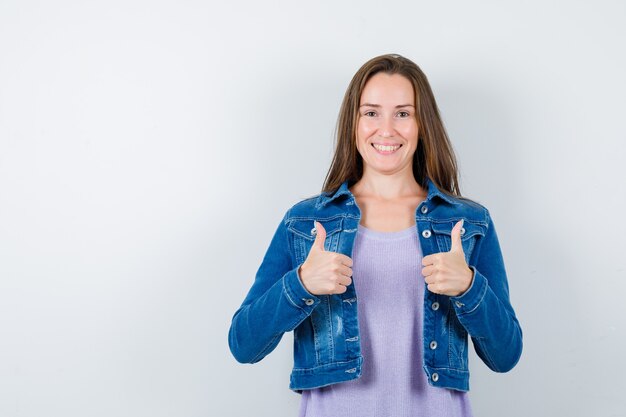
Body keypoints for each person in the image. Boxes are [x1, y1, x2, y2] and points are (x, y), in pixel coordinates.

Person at [228, 54, 523, 417]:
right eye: (371, 113)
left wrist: (469, 288)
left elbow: (505, 355)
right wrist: (301, 284)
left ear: (422, 124)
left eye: (403, 113)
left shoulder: (468, 223)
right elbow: (243, 344)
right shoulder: (305, 222)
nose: (387, 130)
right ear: (353, 123)